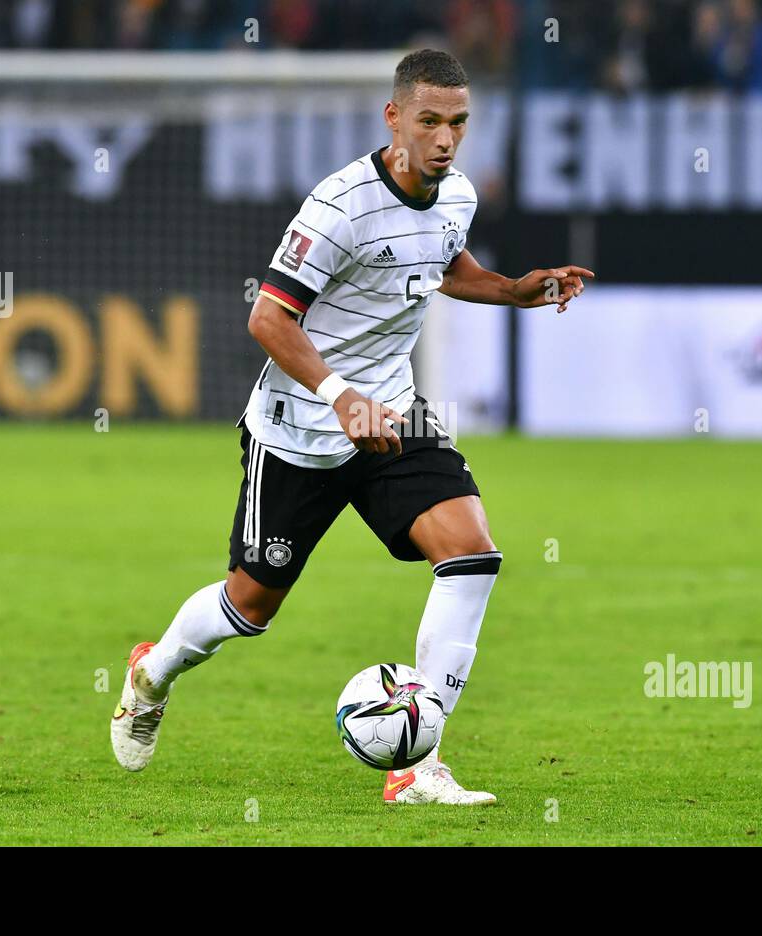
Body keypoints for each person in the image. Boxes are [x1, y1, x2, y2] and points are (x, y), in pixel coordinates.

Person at [111, 48, 593, 805]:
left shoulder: (457, 195)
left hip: (393, 414)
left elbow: (442, 264)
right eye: (429, 121)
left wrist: (514, 290)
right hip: (301, 428)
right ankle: (152, 671)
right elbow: (268, 317)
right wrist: (340, 396)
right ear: (394, 117)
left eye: (458, 123)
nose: (444, 139)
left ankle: (417, 766)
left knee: (472, 555)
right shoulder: (338, 207)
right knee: (251, 603)